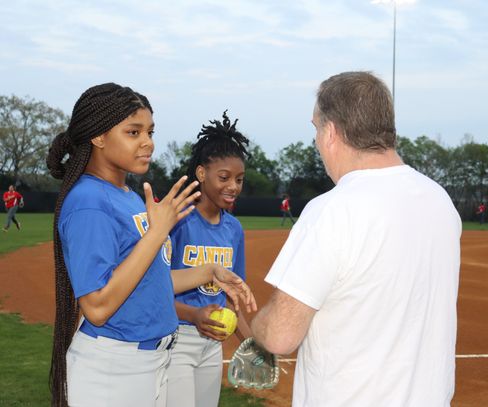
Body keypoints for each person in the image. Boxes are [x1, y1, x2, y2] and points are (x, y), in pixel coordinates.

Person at [250, 71, 462, 406]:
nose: (318, 142)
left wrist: (257, 328)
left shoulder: (332, 210)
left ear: (331, 132)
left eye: (317, 129)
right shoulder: (439, 201)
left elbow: (280, 335)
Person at [46, 84, 255, 407]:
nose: (148, 143)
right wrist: (157, 233)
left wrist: (209, 271)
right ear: (99, 137)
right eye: (133, 132)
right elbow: (97, 307)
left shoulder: (129, 198)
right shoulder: (89, 201)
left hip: (150, 363)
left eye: (150, 132)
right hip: (113, 370)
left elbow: (150, 282)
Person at [167, 111, 253, 407]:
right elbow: (153, 288)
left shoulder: (234, 229)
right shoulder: (178, 221)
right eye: (224, 177)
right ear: (201, 174)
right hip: (177, 338)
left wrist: (252, 345)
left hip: (212, 344)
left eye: (239, 179)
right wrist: (193, 315)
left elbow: (234, 298)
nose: (233, 187)